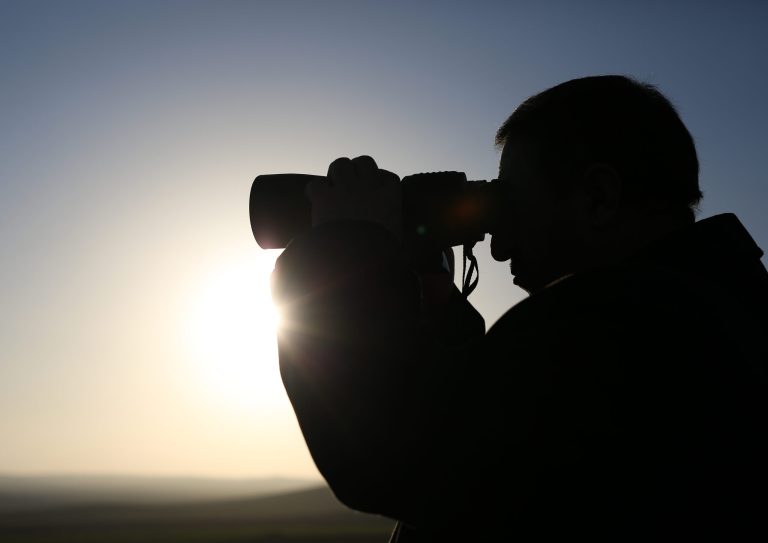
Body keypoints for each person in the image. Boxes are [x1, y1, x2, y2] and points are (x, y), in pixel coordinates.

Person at [269, 75, 768, 541]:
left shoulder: (637, 323)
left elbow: (395, 454)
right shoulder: (709, 309)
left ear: (598, 197)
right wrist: (435, 299)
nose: (500, 246)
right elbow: (498, 428)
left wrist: (345, 246)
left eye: (513, 204)